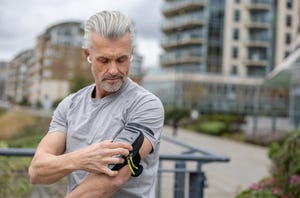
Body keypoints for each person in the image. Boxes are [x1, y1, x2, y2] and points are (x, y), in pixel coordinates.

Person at [28, 10, 164, 198]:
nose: (114, 70)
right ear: (88, 55)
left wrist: (66, 161)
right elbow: (37, 172)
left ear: (131, 53)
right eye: (104, 60)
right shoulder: (70, 105)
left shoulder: (146, 105)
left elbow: (110, 180)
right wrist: (80, 159)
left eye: (122, 59)